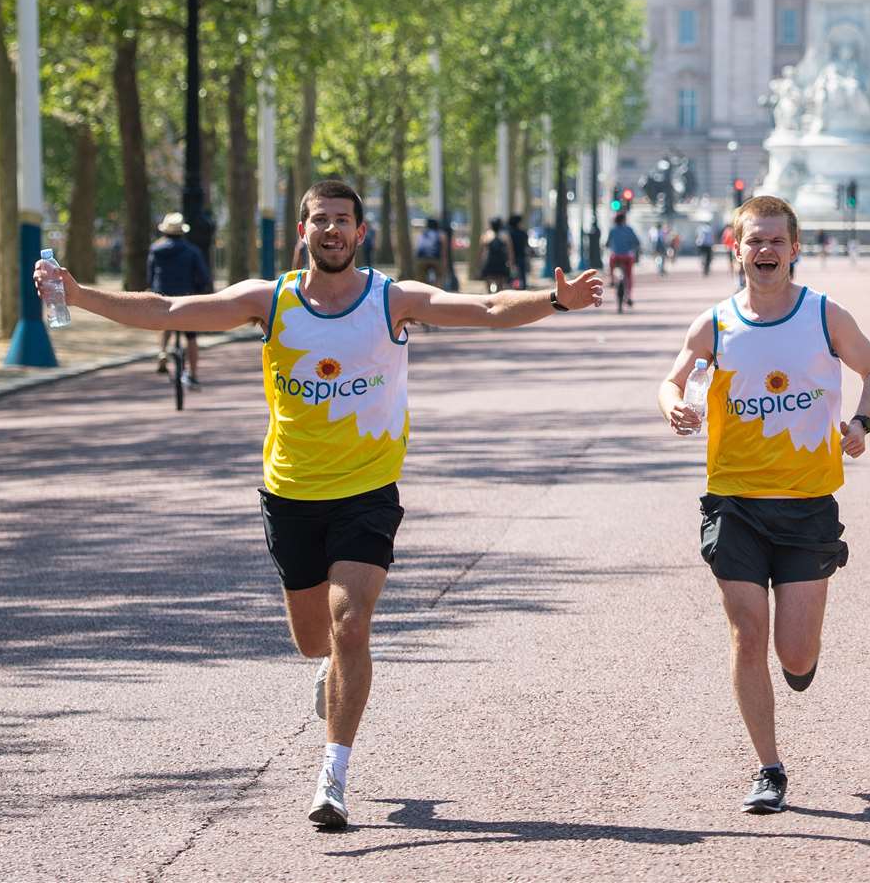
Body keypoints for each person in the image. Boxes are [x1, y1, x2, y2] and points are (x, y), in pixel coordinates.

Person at [33, 179, 603, 830]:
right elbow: (165, 309)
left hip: (366, 490)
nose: (331, 230)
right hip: (291, 494)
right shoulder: (268, 301)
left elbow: (487, 309)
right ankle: (332, 675)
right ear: (302, 231)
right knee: (314, 642)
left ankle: (332, 776)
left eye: (342, 221)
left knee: (350, 622)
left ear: (361, 233)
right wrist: (78, 295)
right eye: (320, 220)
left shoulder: (391, 299)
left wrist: (553, 299)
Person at [657, 195, 870, 815]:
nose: (764, 251)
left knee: (795, 653)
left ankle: (800, 663)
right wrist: (671, 403)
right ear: (736, 249)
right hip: (734, 502)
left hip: (808, 503)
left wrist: (862, 421)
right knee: (746, 633)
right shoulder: (714, 324)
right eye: (753, 241)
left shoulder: (824, 317)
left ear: (794, 249)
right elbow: (672, 379)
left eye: (775, 242)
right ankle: (769, 768)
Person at [148, 212, 213, 386]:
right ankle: (193, 374)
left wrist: (153, 290)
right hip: (186, 297)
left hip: (163, 295)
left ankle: (162, 352)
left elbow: (151, 273)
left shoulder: (156, 249)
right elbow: (203, 276)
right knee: (191, 337)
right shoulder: (192, 251)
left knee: (165, 323)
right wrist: (201, 291)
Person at [606, 211, 641, 307]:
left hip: (616, 256)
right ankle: (629, 296)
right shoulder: (629, 229)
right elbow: (637, 242)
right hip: (627, 256)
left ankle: (612, 280)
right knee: (629, 276)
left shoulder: (612, 230)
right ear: (624, 220)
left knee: (611, 266)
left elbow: (607, 243)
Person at [479, 218, 512, 293]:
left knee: (488, 285)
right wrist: (511, 263)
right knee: (500, 287)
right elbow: (510, 252)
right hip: (501, 262)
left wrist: (479, 264)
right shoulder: (505, 236)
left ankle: (489, 297)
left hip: (489, 262)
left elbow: (481, 252)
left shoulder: (486, 235)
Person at [415, 219, 444, 286]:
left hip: (421, 258)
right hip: (435, 257)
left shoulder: (422, 234)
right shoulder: (440, 234)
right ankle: (437, 289)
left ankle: (422, 290)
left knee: (421, 279)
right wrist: (444, 263)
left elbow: (418, 247)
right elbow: (443, 251)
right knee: (439, 276)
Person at [507, 214, 530, 289]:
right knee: (521, 277)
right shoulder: (522, 233)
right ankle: (522, 290)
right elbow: (526, 245)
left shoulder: (508, 233)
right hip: (521, 257)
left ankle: (513, 289)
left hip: (510, 258)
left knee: (512, 277)